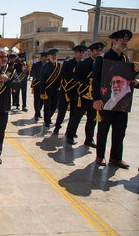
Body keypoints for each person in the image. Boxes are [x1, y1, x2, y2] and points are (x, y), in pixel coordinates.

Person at [92, 29, 139, 168]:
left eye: (126, 41)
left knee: (120, 130)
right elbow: (96, 80)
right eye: (121, 40)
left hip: (122, 103)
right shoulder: (103, 58)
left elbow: (128, 79)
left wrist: (136, 71)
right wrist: (96, 99)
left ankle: (116, 157)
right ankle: (100, 156)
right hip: (106, 101)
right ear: (114, 41)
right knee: (103, 129)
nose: (124, 43)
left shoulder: (126, 59)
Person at [65, 42, 105, 146]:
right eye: (96, 50)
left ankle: (89, 139)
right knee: (77, 117)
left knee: (92, 119)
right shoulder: (84, 63)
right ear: (91, 52)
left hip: (95, 95)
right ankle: (70, 135)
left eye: (100, 50)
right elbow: (76, 76)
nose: (98, 52)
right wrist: (87, 81)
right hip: (83, 94)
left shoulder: (103, 63)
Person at [53, 45, 87, 134]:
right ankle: (57, 127)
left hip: (77, 91)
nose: (81, 54)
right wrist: (72, 72)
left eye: (82, 52)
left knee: (74, 112)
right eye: (79, 52)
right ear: (74, 53)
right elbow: (62, 75)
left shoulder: (84, 64)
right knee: (62, 111)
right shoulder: (68, 63)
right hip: (66, 90)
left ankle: (70, 131)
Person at [40, 49, 62, 127]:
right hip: (48, 90)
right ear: (49, 57)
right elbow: (42, 80)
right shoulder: (45, 66)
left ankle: (49, 117)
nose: (54, 57)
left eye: (55, 55)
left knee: (54, 106)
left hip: (57, 90)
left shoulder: (59, 65)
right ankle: (47, 120)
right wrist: (42, 92)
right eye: (52, 55)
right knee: (47, 106)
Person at [30, 52, 48, 121]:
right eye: (44, 57)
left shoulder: (48, 65)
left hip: (45, 85)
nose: (45, 58)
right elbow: (32, 73)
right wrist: (40, 77)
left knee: (42, 100)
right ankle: (37, 113)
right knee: (37, 100)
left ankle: (39, 111)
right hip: (37, 84)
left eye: (46, 57)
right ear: (41, 58)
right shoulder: (36, 65)